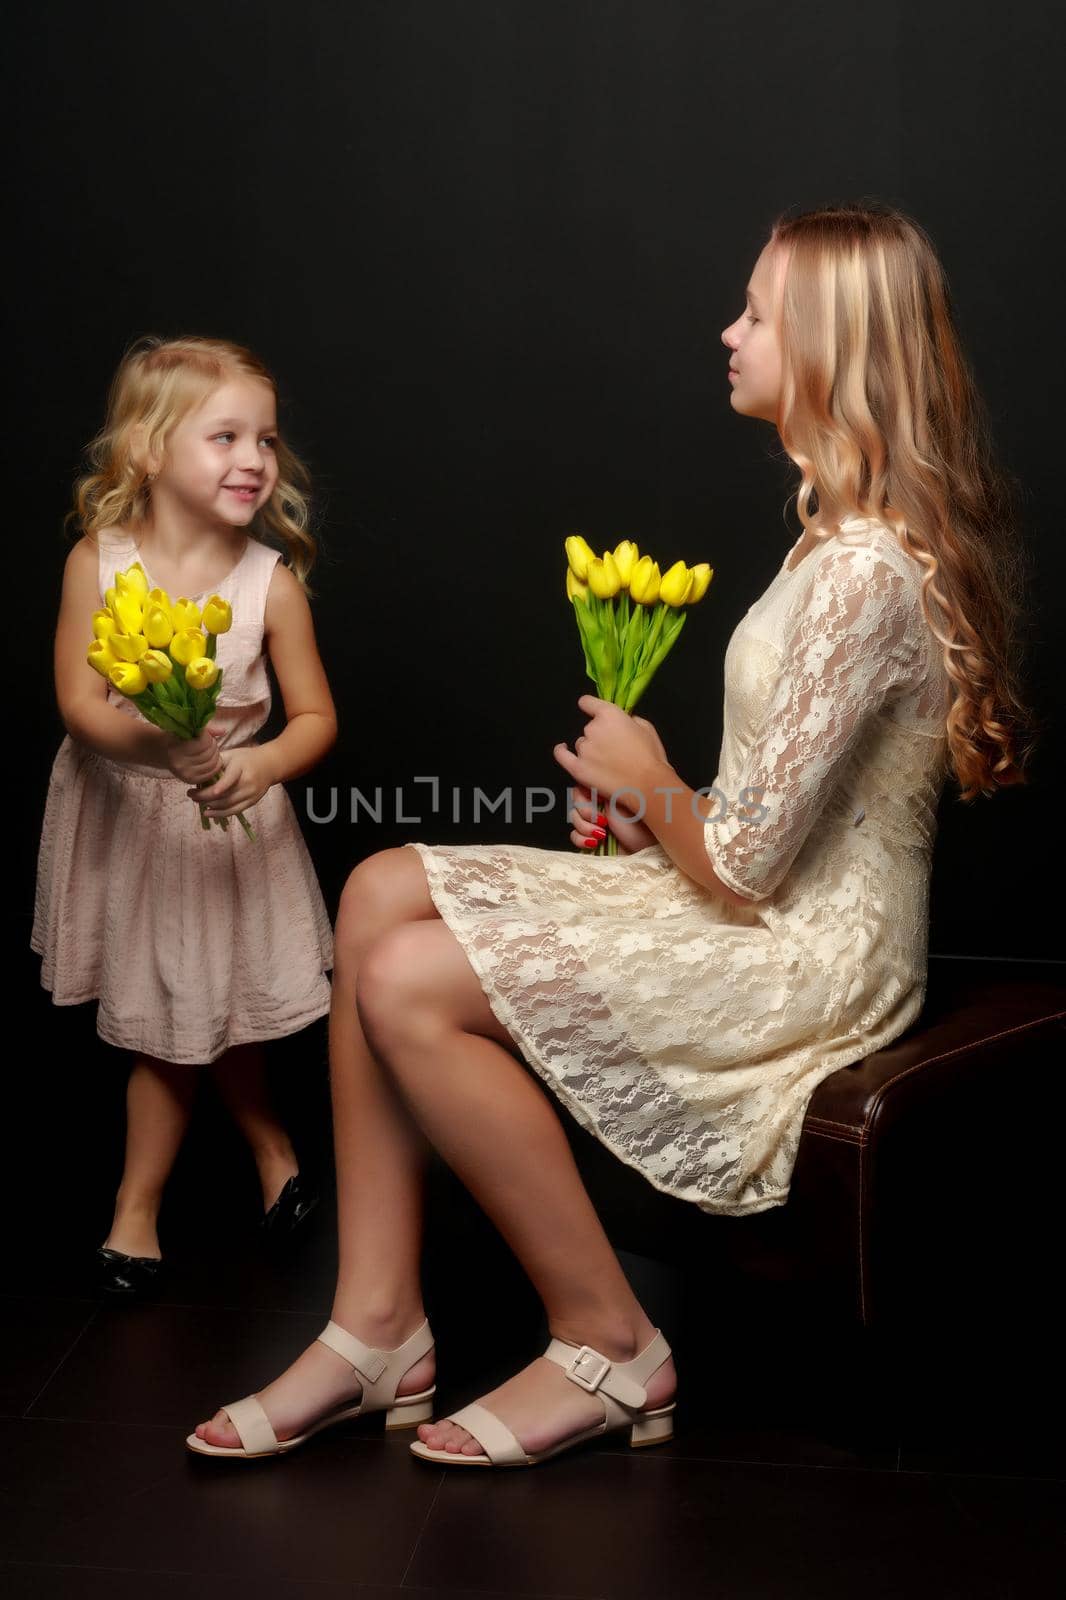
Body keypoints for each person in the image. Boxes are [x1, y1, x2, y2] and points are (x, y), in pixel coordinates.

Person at [189, 202, 1034, 1469]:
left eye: (757, 313)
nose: (728, 331)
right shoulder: (831, 545)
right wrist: (649, 810)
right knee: (376, 885)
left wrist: (653, 784)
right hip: (760, 899)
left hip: (812, 958)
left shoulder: (863, 571)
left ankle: (611, 1342)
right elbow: (765, 824)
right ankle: (376, 1328)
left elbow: (750, 867)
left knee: (405, 978)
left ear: (832, 349)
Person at [32, 336, 337, 1296]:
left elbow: (318, 718)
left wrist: (260, 764)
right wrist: (158, 747)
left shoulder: (268, 584)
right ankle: (269, 1159)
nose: (254, 459)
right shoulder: (101, 562)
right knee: (186, 1011)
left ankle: (140, 1210)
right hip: (132, 820)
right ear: (150, 451)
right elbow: (81, 707)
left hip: (225, 825)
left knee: (191, 1010)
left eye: (268, 440)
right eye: (225, 437)